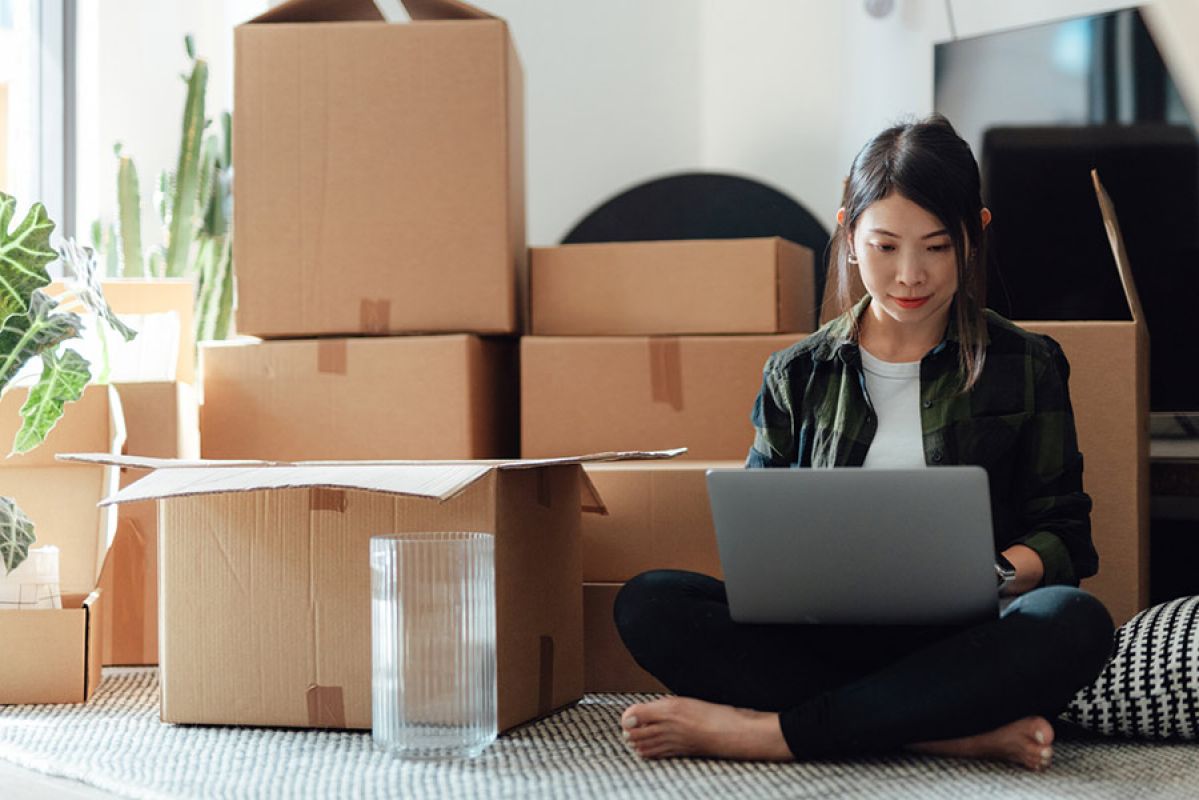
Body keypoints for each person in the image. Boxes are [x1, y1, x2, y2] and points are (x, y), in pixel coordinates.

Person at [613, 114, 1115, 772]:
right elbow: (757, 538)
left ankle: (771, 734)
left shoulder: (1027, 363)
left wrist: (987, 572)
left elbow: (1064, 535)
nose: (910, 275)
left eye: (936, 247)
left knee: (1075, 621)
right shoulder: (795, 373)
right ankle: (942, 734)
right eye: (884, 246)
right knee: (648, 601)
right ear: (848, 233)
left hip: (957, 641)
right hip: (819, 639)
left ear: (975, 235)